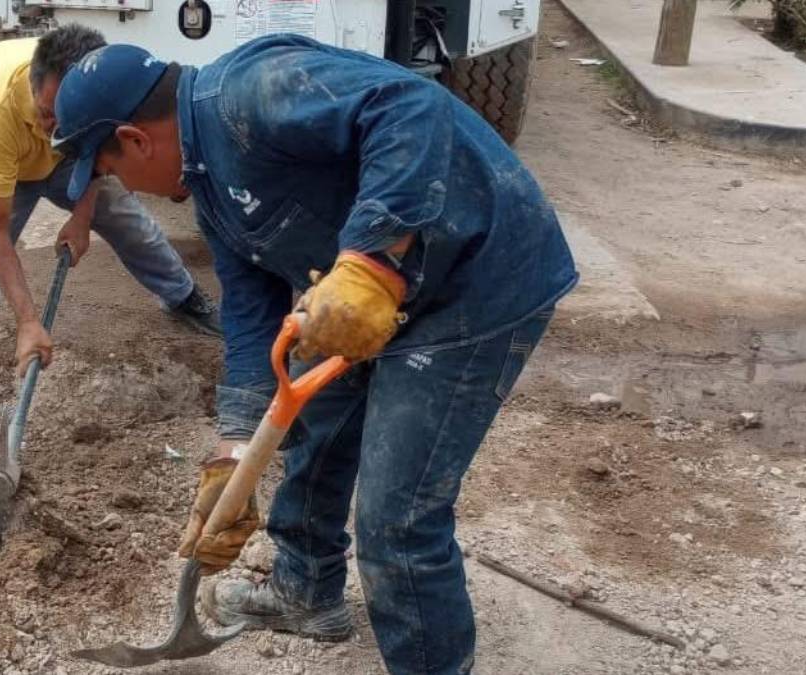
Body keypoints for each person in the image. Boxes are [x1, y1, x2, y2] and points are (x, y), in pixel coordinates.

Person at [51, 36, 578, 674]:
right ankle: (306, 591)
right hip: (383, 294)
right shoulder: (209, 188)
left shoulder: (249, 92)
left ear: (136, 140)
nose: (126, 188)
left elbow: (410, 106)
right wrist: (234, 453)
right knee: (315, 426)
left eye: (110, 172)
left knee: (397, 520)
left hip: (478, 281)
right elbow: (249, 316)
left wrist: (371, 259)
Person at [0, 25, 221, 473]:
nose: (53, 128)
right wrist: (29, 322)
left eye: (63, 119)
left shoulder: (87, 97)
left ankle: (182, 297)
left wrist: (82, 218)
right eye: (47, 115)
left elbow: (95, 154)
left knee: (125, 217)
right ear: (33, 88)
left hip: (58, 163)